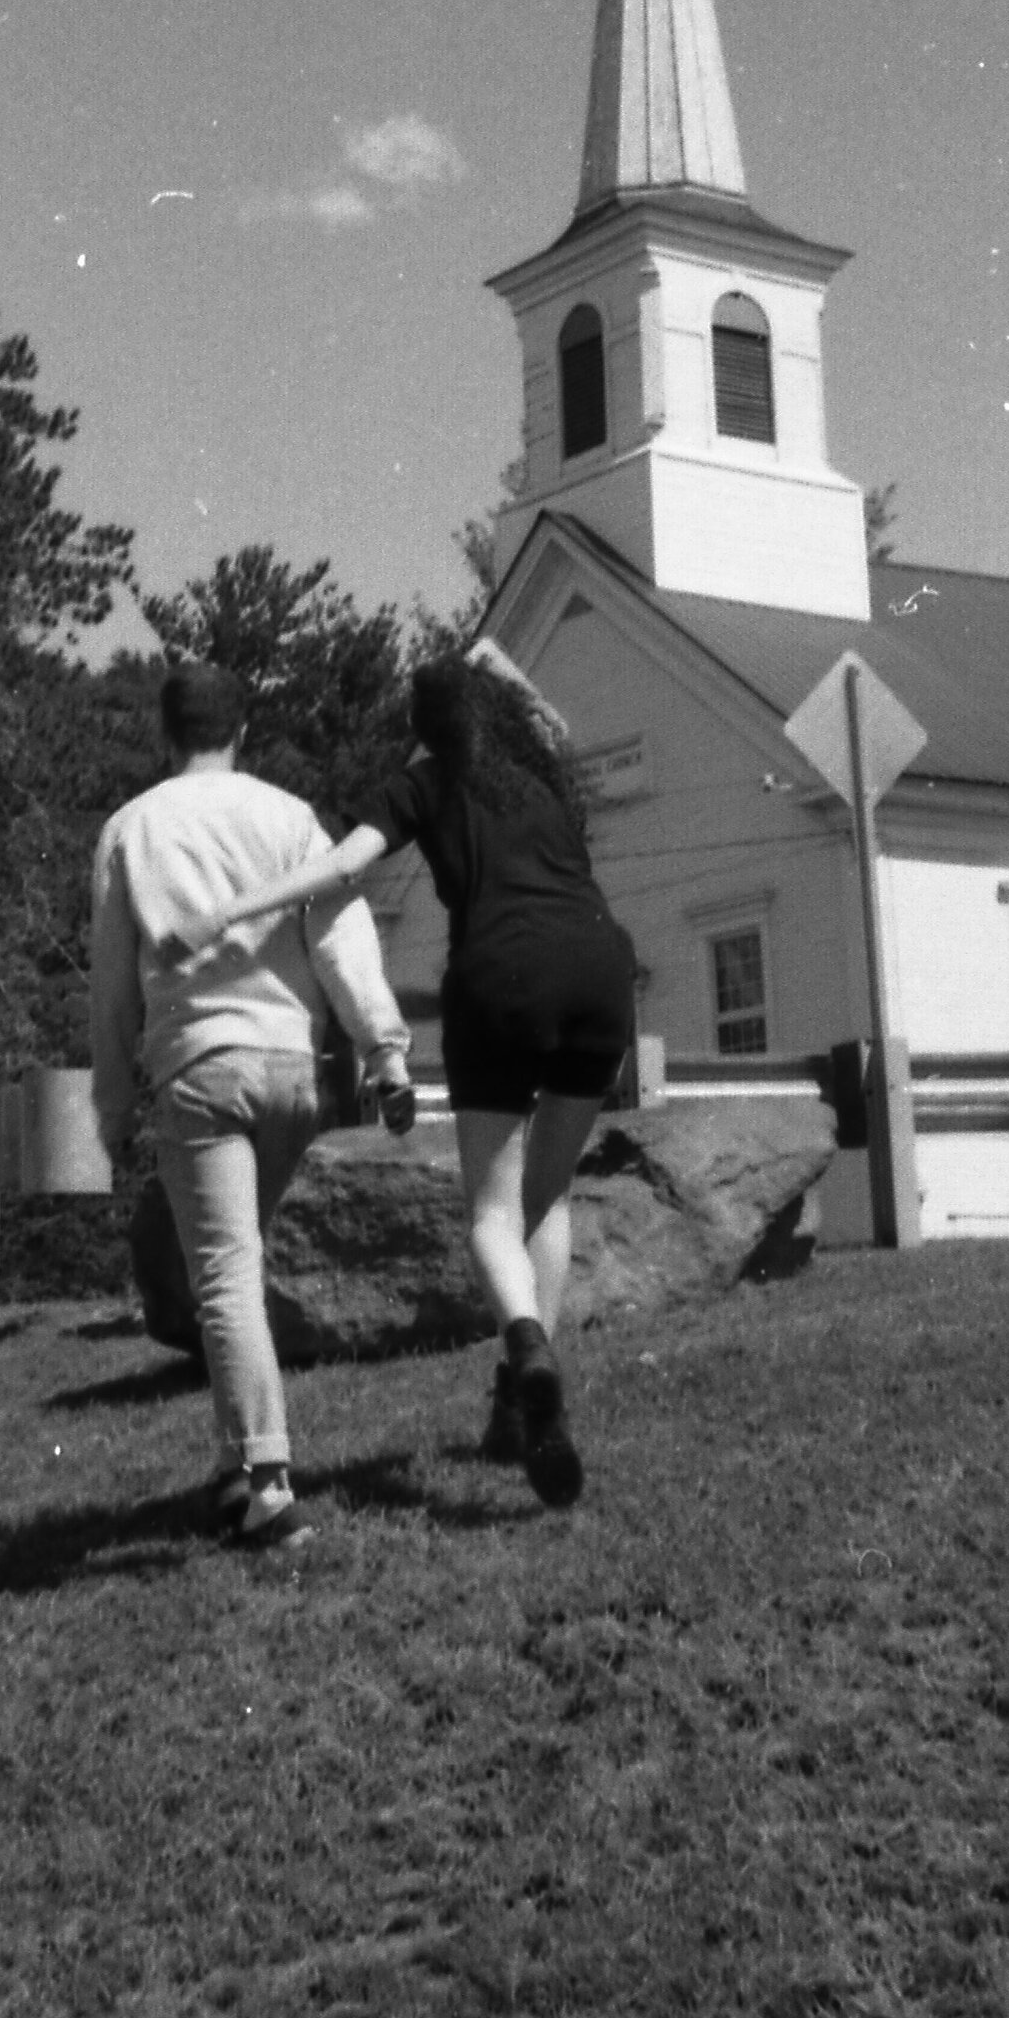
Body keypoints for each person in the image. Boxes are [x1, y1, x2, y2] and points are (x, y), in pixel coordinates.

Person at [167, 651, 636, 1508]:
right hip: (602, 967)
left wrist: (234, 909)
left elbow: (344, 867)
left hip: (502, 976)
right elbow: (550, 721)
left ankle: (529, 1347)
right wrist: (501, 664)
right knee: (551, 1197)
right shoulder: (540, 772)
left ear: (424, 731)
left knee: (491, 1215)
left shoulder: (423, 783)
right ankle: (518, 1404)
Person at [90, 657, 416, 1553]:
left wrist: (112, 1110)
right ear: (242, 733)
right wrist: (383, 1048)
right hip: (291, 1071)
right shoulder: (290, 817)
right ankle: (238, 1468)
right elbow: (343, 942)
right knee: (242, 1268)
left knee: (225, 1280)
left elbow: (113, 989)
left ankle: (268, 1486)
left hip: (199, 1071)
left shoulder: (132, 828)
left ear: (165, 735)